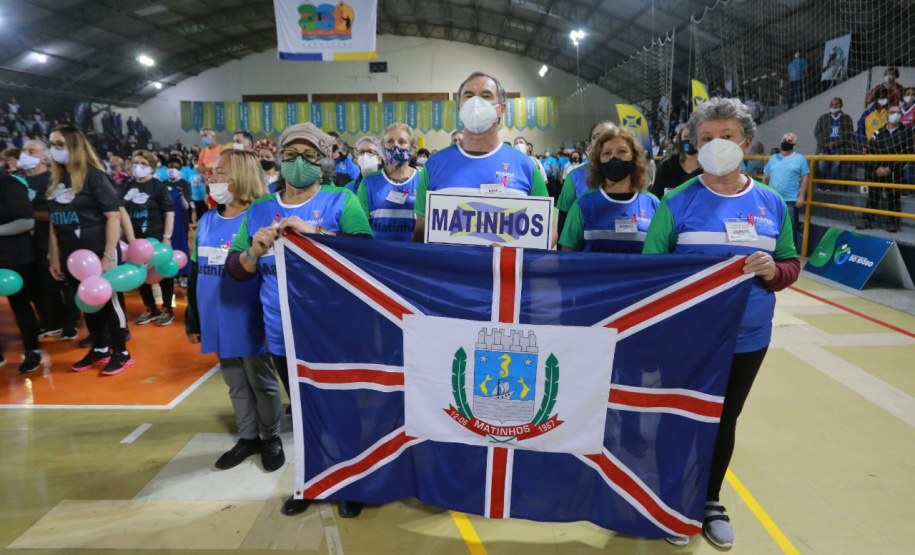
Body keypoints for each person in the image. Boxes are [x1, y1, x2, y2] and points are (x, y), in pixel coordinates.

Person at [643, 98, 800, 549]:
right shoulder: (676, 201)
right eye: (706, 138)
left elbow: (790, 264)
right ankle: (673, 499)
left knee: (724, 419)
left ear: (746, 144)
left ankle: (709, 500)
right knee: (680, 416)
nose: (715, 145)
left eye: (726, 136)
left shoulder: (771, 202)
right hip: (687, 338)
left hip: (748, 337)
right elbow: (651, 270)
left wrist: (772, 271)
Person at [224, 122, 372, 519]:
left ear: (323, 161)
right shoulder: (260, 209)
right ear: (279, 160)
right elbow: (236, 270)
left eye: (308, 155)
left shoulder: (342, 200)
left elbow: (365, 253)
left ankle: (352, 481)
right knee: (305, 412)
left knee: (343, 408)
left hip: (333, 329)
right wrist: (254, 251)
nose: (298, 162)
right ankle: (312, 481)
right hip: (282, 331)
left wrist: (316, 232)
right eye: (290, 155)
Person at [185, 149, 285, 473]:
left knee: (261, 380)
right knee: (235, 381)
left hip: (248, 316)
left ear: (241, 175)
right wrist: (193, 317)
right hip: (215, 316)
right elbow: (196, 272)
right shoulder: (206, 219)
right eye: (212, 172)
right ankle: (248, 437)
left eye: (220, 172)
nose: (211, 178)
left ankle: (271, 436)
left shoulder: (260, 218)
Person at [411, 72, 550, 242]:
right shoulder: (434, 164)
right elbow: (421, 231)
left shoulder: (525, 166)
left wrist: (514, 248)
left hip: (502, 261)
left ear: (501, 109)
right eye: (469, 96)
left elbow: (549, 231)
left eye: (486, 96)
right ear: (460, 107)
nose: (476, 102)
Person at [46, 125, 133, 376]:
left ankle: (122, 352)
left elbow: (113, 216)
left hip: (98, 251)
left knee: (110, 302)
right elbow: (54, 222)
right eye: (52, 144)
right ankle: (99, 348)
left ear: (75, 146)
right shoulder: (56, 180)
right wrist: (54, 256)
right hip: (72, 257)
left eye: (60, 144)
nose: (55, 149)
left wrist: (108, 255)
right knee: (88, 301)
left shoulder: (95, 176)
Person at [559, 127, 658, 253]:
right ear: (598, 161)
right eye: (607, 153)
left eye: (622, 151)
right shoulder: (583, 204)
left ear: (634, 158)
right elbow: (568, 250)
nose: (614, 157)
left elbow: (661, 252)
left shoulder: (652, 204)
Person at [20, 140, 79, 339]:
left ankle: (69, 321)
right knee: (36, 286)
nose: (25, 154)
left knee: (58, 283)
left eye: (32, 151)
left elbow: (57, 212)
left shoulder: (53, 180)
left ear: (45, 158)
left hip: (51, 240)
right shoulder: (19, 182)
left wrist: (26, 215)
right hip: (27, 244)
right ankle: (49, 321)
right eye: (24, 150)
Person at [120, 150, 176, 325]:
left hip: (156, 236)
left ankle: (167, 308)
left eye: (143, 164)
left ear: (151, 168)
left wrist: (167, 238)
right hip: (134, 239)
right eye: (136, 162)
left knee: (163, 272)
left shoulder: (158, 186)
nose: (138, 166)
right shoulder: (128, 185)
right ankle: (150, 307)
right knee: (140, 272)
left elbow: (169, 213)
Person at [0, 172, 43, 373]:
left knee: (20, 303)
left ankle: (32, 350)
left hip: (14, 255)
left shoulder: (9, 184)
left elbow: (27, 221)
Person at [356, 124, 420, 242]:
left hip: (413, 250)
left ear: (412, 149)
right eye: (390, 142)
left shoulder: (423, 181)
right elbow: (360, 225)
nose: (395, 146)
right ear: (382, 148)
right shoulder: (369, 182)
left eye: (402, 142)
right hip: (378, 250)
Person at [556, 120, 617, 234]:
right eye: (598, 137)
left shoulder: (631, 176)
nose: (604, 140)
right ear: (590, 145)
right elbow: (564, 221)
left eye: (610, 136)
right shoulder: (574, 177)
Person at [861, 103, 913, 232]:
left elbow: (907, 153)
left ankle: (893, 223)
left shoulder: (907, 132)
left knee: (893, 197)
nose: (895, 115)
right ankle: (867, 220)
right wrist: (877, 168)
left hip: (894, 171)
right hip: (877, 170)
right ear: (887, 115)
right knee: (873, 196)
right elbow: (870, 151)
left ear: (901, 115)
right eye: (892, 112)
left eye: (898, 112)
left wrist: (890, 168)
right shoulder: (878, 132)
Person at [762, 133, 809, 253]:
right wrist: (763, 194)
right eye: (785, 140)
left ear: (794, 145)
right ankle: (771, 249)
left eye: (789, 141)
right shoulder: (773, 158)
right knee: (771, 224)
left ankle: (790, 252)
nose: (786, 142)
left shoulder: (800, 159)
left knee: (791, 226)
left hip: (791, 199)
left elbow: (805, 178)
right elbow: (765, 177)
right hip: (772, 198)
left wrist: (801, 196)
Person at [649, 125, 701, 199]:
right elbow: (656, 195)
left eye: (694, 136)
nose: (690, 140)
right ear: (680, 139)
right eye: (686, 136)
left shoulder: (709, 169)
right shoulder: (667, 165)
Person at [813, 97, 855, 184]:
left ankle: (831, 186)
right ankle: (821, 186)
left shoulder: (847, 118)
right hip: (824, 148)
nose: (834, 106)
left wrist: (837, 143)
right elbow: (817, 132)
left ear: (841, 105)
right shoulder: (823, 118)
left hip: (839, 149)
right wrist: (825, 144)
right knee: (821, 165)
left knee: (836, 166)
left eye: (836, 104)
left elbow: (849, 133)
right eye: (832, 104)